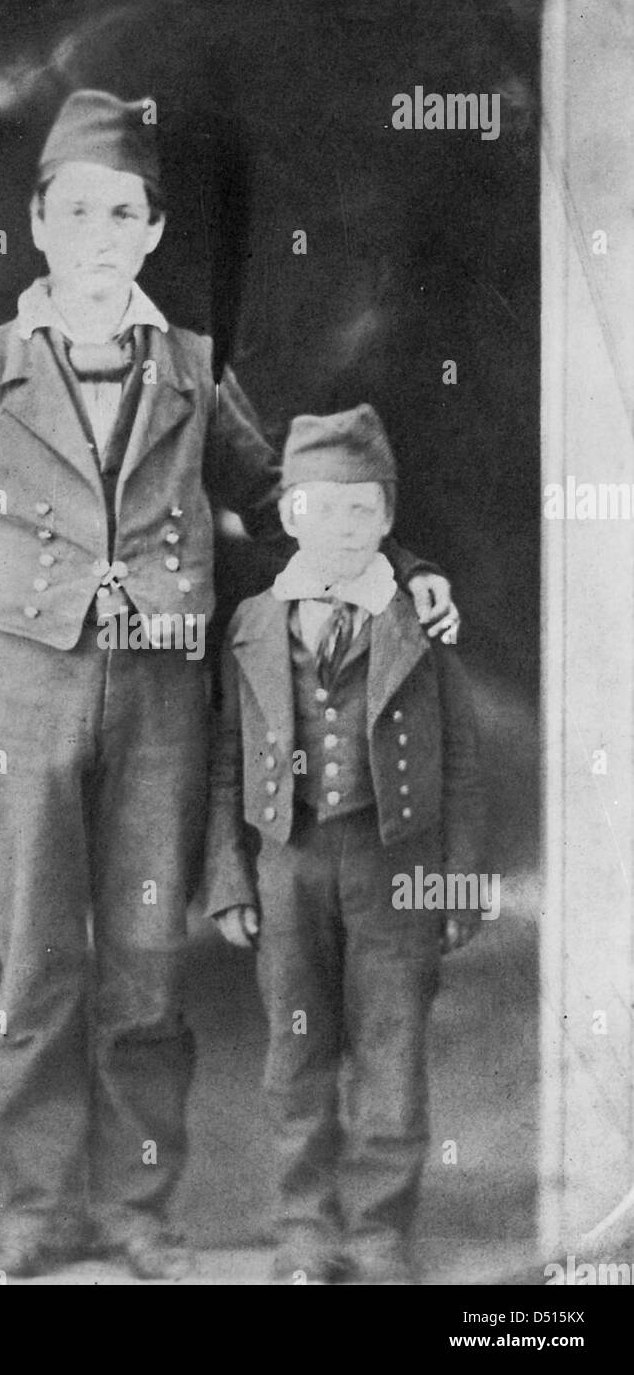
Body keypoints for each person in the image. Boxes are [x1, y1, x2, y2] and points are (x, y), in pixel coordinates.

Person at [0, 91, 458, 1280]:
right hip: (18, 709)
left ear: (152, 234)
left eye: (123, 213)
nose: (100, 234)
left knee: (148, 967)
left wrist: (405, 577)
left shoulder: (194, 373)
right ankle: (38, 1211)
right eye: (77, 211)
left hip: (163, 708)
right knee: (35, 967)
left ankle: (138, 1215)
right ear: (40, 225)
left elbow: (280, 504)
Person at [202, 405, 485, 1285]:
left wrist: (458, 887)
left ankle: (378, 1231)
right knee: (296, 1047)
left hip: (395, 865)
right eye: (325, 508)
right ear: (290, 515)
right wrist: (229, 881)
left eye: (364, 509)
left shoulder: (419, 625)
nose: (345, 526)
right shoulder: (250, 624)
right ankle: (302, 1228)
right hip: (287, 866)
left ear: (389, 520)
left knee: (392, 1042)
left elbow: (464, 766)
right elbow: (222, 766)